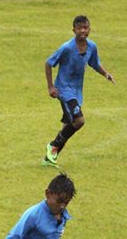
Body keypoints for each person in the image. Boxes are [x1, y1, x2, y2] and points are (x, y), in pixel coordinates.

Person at [42, 15, 115, 167]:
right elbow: (49, 63)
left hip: (76, 90)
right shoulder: (67, 48)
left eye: (85, 28)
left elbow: (95, 63)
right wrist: (50, 87)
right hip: (63, 89)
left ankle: (49, 158)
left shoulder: (91, 47)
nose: (83, 31)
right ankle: (53, 145)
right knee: (79, 120)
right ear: (73, 29)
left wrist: (106, 74)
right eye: (79, 28)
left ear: (90, 29)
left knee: (68, 125)